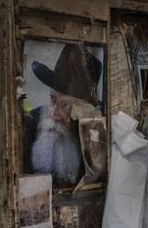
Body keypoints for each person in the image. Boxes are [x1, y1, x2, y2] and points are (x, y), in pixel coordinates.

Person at [23, 43, 103, 187]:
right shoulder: (29, 123)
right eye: (52, 100)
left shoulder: (93, 134)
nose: (54, 115)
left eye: (66, 105)